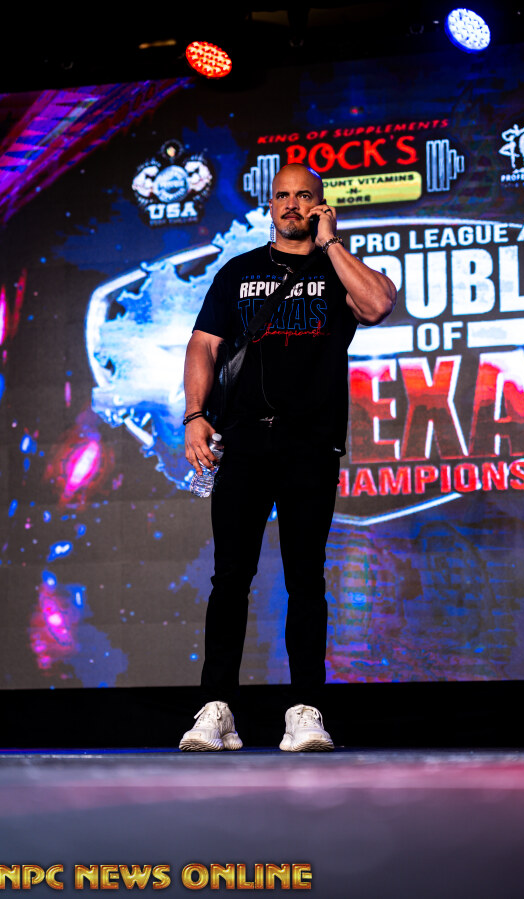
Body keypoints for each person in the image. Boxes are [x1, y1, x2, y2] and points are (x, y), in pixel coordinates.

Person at [179, 163, 396, 751]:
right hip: (245, 441)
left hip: (310, 443)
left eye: (304, 196)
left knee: (306, 578)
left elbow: (378, 305)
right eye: (283, 196)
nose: (292, 204)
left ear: (320, 205)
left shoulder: (336, 268)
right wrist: (196, 415)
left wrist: (331, 244)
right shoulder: (238, 271)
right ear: (270, 206)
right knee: (230, 578)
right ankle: (216, 709)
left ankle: (305, 711)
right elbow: (203, 344)